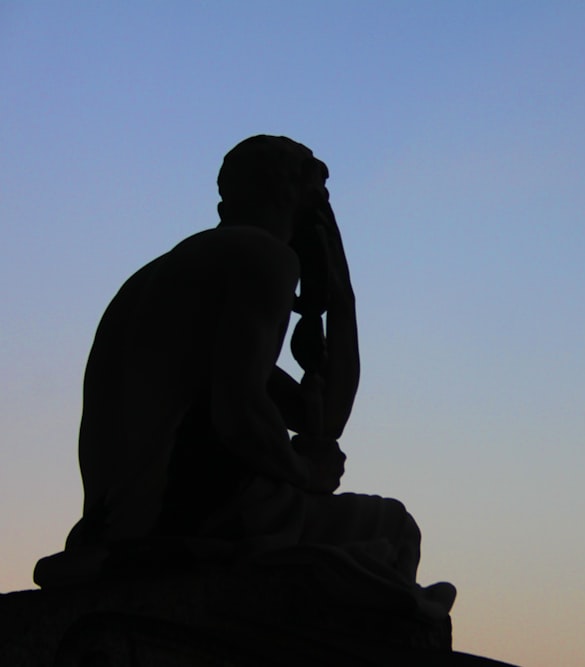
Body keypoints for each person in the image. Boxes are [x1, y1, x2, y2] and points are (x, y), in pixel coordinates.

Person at [35, 136, 426, 589]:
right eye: (322, 195)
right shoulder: (264, 256)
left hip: (115, 520)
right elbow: (238, 410)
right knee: (393, 528)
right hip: (195, 512)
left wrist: (337, 293)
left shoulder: (160, 277)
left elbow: (322, 419)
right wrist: (305, 473)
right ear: (294, 193)